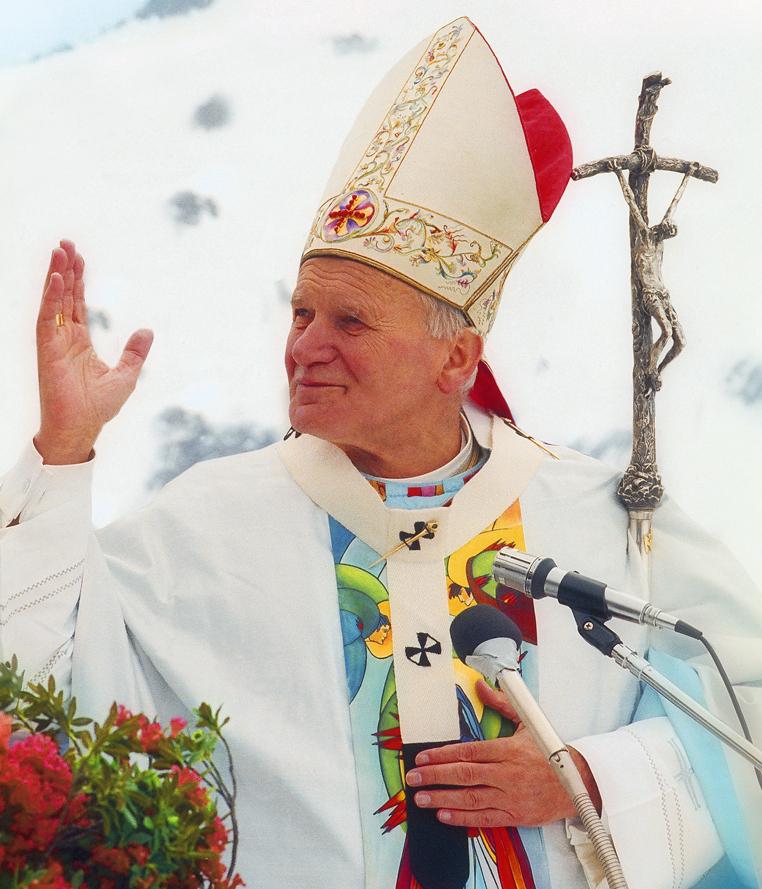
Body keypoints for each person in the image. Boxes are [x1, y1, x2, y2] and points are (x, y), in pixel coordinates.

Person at [1, 16, 760, 889]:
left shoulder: (600, 518)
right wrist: (64, 450)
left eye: (350, 320)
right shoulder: (207, 526)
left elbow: (744, 704)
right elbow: (38, 693)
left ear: (455, 358)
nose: (305, 346)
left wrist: (593, 780)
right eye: (300, 313)